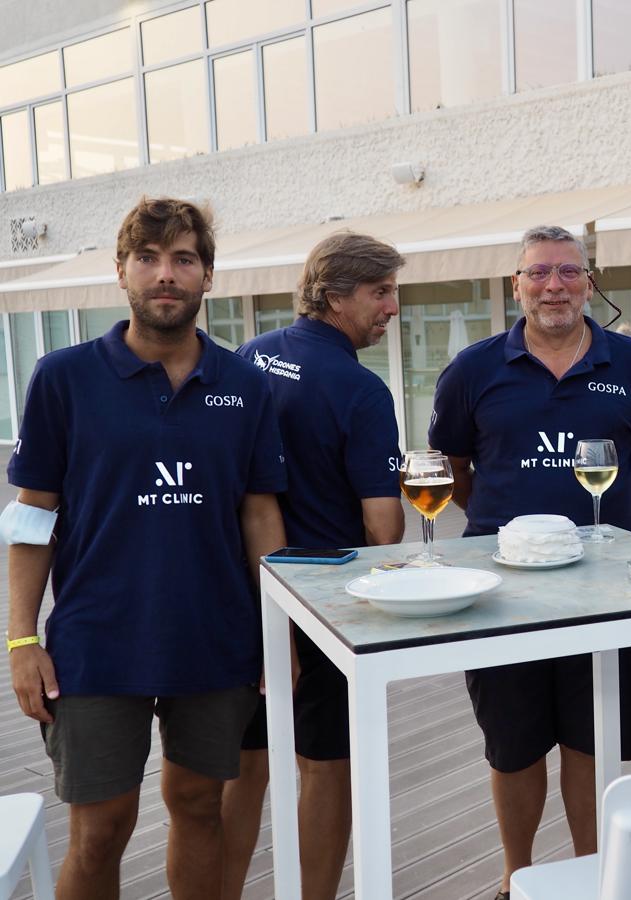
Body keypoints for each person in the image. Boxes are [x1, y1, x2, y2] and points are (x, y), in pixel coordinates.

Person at [4, 197, 287, 900]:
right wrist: (20, 641)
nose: (167, 274)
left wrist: (280, 636)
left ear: (208, 276)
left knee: (199, 809)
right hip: (96, 644)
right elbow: (33, 516)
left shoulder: (246, 387)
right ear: (122, 271)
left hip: (216, 640)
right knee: (100, 832)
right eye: (149, 258)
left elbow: (259, 516)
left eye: (184, 258)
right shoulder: (63, 379)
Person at [429, 225, 631, 900]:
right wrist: (509, 534)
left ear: (588, 283)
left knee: (592, 742)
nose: (554, 286)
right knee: (512, 745)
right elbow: (453, 468)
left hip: (606, 591)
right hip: (501, 593)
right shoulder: (474, 370)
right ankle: (520, 874)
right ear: (517, 285)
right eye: (538, 274)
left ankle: (593, 875)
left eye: (569, 273)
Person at [221, 233, 407, 900]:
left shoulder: (248, 358)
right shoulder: (361, 389)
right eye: (380, 293)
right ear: (335, 295)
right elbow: (384, 525)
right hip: (326, 599)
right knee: (325, 766)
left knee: (243, 767)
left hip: (244, 595)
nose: (392, 308)